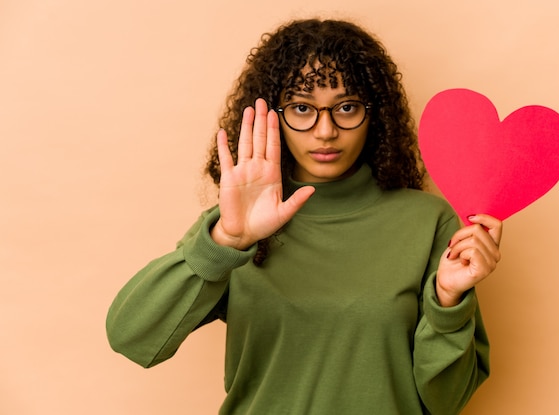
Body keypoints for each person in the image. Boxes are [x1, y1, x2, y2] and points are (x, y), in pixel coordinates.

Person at [106, 18, 502, 415]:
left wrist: (448, 302)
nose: (325, 130)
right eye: (301, 108)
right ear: (273, 115)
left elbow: (447, 400)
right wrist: (226, 240)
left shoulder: (428, 221)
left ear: (375, 114)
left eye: (346, 107)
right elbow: (131, 336)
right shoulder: (236, 223)